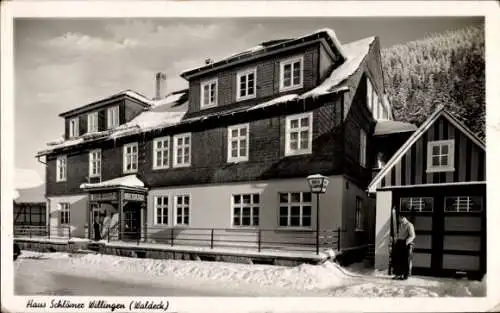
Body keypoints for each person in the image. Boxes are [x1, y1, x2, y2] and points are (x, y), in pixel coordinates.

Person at [393, 214, 415, 280]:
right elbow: (399, 234)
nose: (398, 219)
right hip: (399, 242)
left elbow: (412, 235)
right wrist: (396, 239)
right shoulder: (400, 224)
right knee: (398, 259)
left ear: (403, 217)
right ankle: (398, 274)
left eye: (399, 218)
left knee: (405, 260)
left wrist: (406, 242)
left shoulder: (409, 225)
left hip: (405, 243)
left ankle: (405, 275)